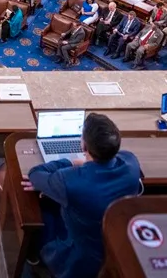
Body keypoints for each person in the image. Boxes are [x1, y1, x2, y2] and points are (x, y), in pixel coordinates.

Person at [21, 113, 141, 278]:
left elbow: (35, 174)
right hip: (117, 248)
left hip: (78, 259)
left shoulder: (69, 180)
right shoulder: (131, 163)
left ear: (84, 147)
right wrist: (87, 163)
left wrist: (70, 162)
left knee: (41, 201)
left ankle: (34, 256)